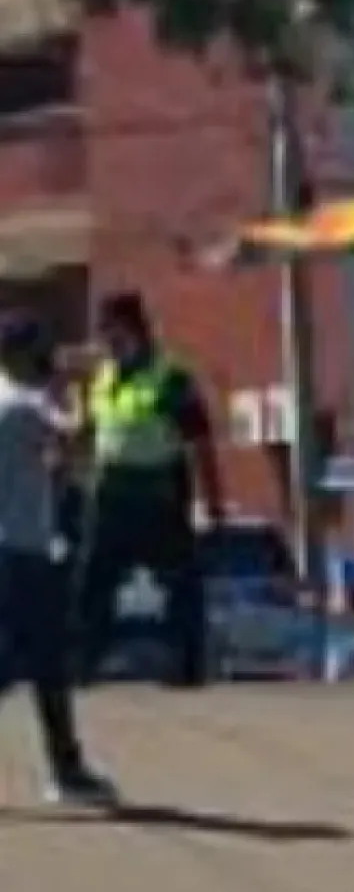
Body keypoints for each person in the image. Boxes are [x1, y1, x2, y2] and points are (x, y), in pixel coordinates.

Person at [74, 293, 223, 688]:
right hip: (110, 494)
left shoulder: (169, 376)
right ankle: (83, 663)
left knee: (179, 584)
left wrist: (211, 501)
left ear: (132, 328)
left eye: (110, 331)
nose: (105, 340)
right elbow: (93, 432)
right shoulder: (104, 377)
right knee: (93, 583)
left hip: (158, 494)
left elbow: (199, 441)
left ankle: (186, 667)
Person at [0, 314, 117, 805]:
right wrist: (87, 387)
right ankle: (67, 772)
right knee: (32, 660)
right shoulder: (23, 407)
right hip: (19, 552)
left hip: (16, 548)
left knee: (35, 663)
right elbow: (80, 445)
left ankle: (67, 768)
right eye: (41, 348)